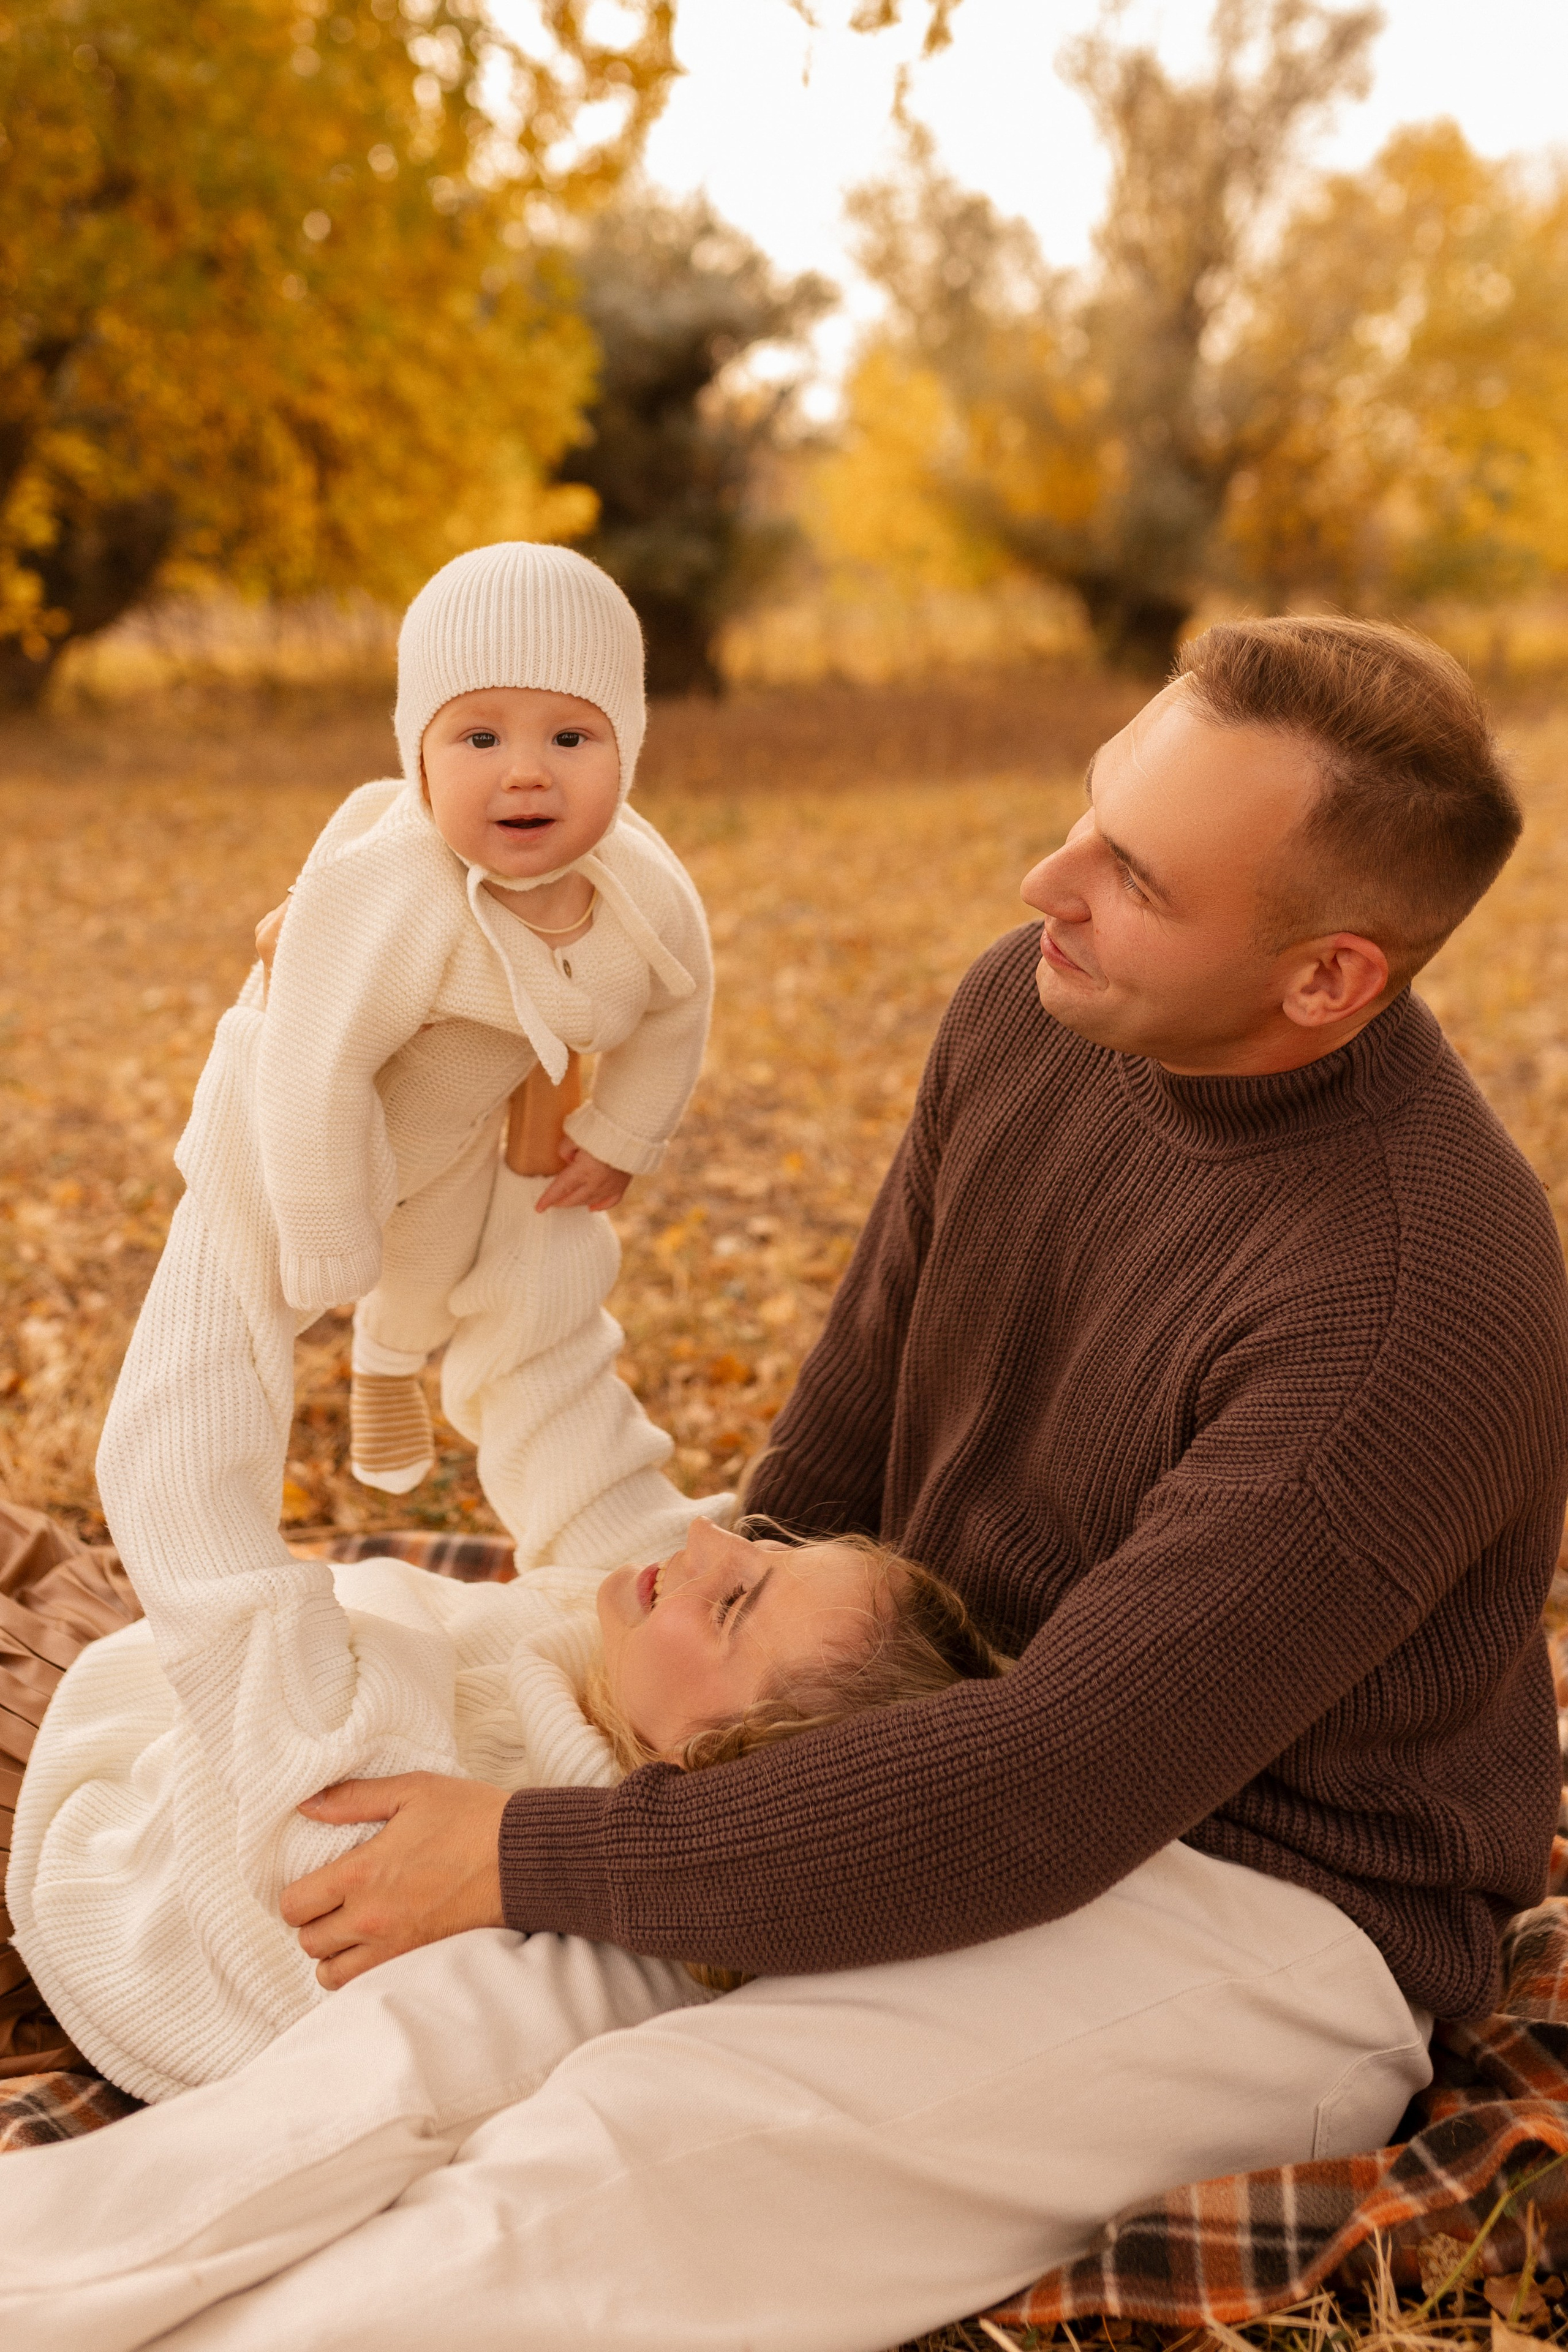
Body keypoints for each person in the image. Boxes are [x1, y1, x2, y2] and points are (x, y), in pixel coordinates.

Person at [3, 617, 1564, 2352]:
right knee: (433, 2030)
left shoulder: (1417, 1306)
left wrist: (536, 1846)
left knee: (629, 2165)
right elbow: (829, 1464)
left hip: (1253, 1897)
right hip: (901, 1725)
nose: (1050, 879)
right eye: (1087, 812)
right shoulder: (1034, 1013)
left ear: (1328, 976)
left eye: (1134, 874)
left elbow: (1048, 1798)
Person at [6, 1495, 1005, 2099]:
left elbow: (187, 1509)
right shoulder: (621, 1674)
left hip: (54, 1812)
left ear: (721, 1766)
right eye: (771, 1549)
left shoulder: (419, 1825)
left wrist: (253, 1218)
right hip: (118, 1658)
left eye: (737, 1602)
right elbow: (548, 1381)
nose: (707, 1539)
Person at [254, 534, 717, 1539]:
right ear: (417, 750)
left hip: (504, 1120)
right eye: (479, 740)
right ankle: (377, 1356)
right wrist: (326, 1228)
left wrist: (625, 1132)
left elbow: (681, 1000)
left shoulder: (639, 883)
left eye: (570, 740)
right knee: (388, 1255)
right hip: (384, 1114)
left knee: (478, 1264)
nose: (526, 778)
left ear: (626, 750)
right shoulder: (386, 889)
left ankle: (436, 1377)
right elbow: (311, 1059)